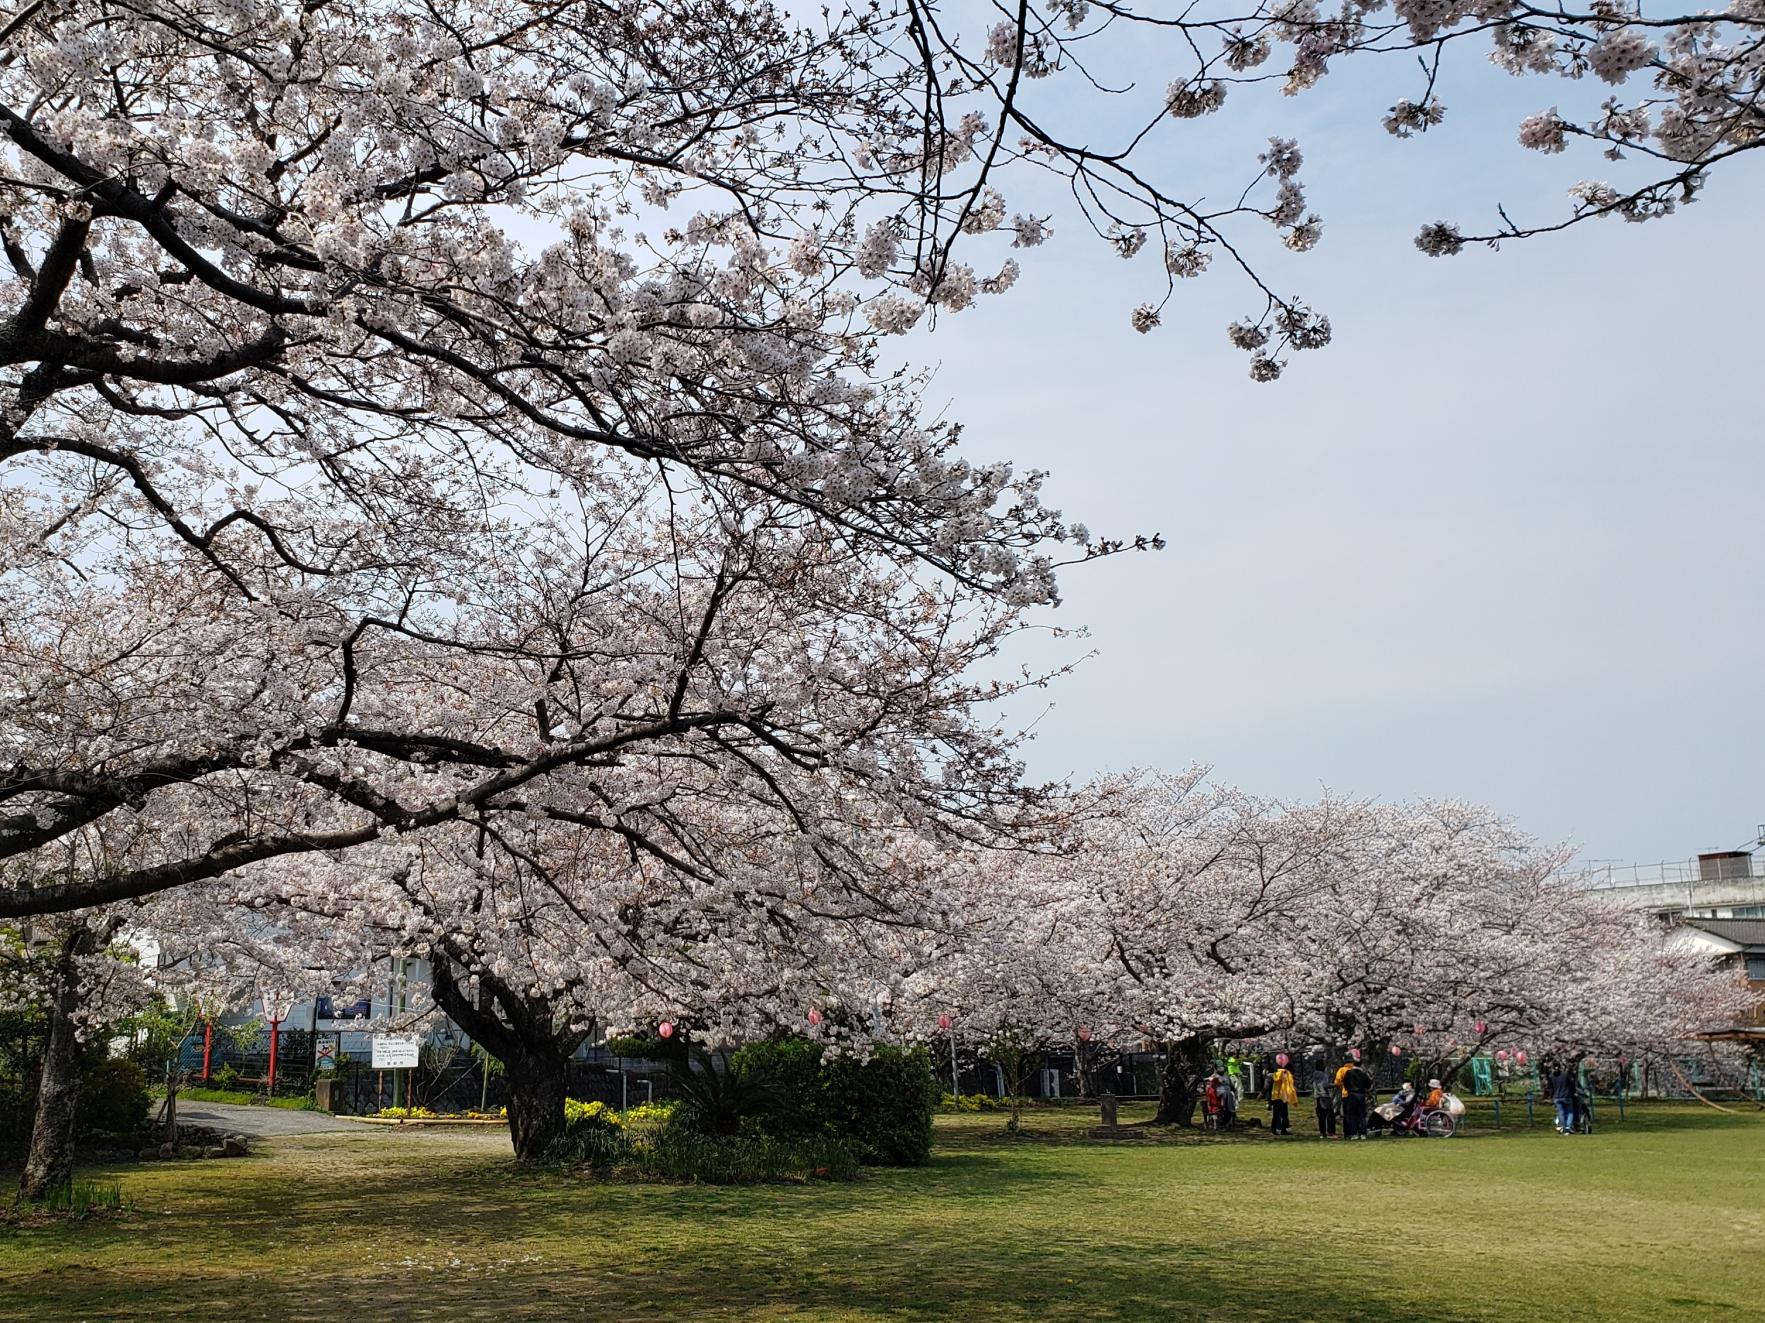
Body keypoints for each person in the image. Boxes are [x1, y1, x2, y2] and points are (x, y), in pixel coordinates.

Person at [1341, 1057, 1374, 1139]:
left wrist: (1348, 1089)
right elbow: (1369, 1085)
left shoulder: (1349, 1073)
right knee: (1362, 1115)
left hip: (1351, 1094)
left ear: (1353, 1064)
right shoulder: (1363, 1074)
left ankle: (1353, 1133)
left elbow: (1345, 1083)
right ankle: (1363, 1133)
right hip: (1361, 1095)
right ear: (1361, 1064)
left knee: (1352, 1115)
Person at [1311, 1060, 1339, 1138]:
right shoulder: (1323, 1075)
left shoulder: (1314, 1074)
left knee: (1321, 1116)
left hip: (1317, 1096)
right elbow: (1325, 1085)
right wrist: (1335, 1085)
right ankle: (1331, 1132)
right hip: (1325, 1096)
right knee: (1330, 1114)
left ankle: (1322, 1133)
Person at [1270, 1060, 1298, 1135]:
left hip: (1276, 1096)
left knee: (1276, 1114)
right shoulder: (1287, 1074)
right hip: (1283, 1096)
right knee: (1284, 1114)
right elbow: (1289, 1086)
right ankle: (1283, 1129)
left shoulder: (1276, 1074)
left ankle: (1275, 1129)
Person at [1549, 1064, 1576, 1134]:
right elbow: (1571, 1085)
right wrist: (1573, 1092)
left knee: (1561, 1113)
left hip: (1557, 1097)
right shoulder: (1565, 1075)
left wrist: (1551, 1097)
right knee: (1570, 1112)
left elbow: (1551, 1088)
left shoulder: (1552, 1077)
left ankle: (1563, 1127)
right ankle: (1568, 1126)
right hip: (1566, 1096)